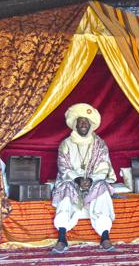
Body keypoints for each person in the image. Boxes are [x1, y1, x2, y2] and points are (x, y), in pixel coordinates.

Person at [51, 103, 117, 253]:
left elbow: (103, 166)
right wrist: (78, 179)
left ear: (90, 125)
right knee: (66, 188)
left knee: (101, 187)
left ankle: (105, 237)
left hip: (93, 182)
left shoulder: (99, 144)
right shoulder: (66, 144)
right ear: (75, 124)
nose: (83, 125)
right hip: (72, 182)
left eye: (86, 122)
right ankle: (62, 238)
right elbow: (63, 166)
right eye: (80, 121)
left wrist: (91, 180)